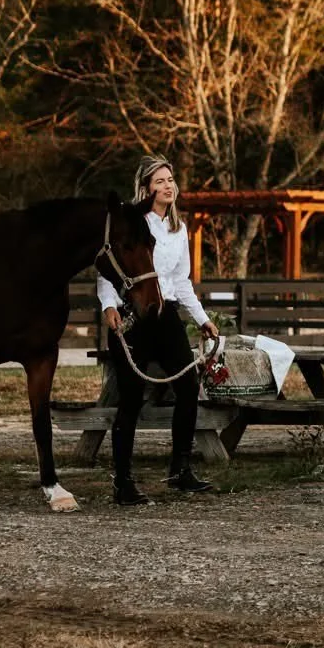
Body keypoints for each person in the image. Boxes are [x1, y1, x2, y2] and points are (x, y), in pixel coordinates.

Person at [100, 155, 220, 505]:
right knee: (131, 396)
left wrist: (201, 318)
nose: (168, 185)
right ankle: (123, 481)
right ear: (146, 188)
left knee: (188, 385)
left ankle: (180, 469)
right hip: (132, 316)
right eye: (160, 181)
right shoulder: (132, 222)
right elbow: (108, 268)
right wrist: (108, 305)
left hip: (165, 315)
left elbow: (181, 282)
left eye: (170, 179)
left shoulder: (178, 230)